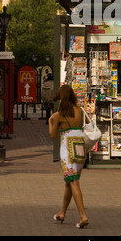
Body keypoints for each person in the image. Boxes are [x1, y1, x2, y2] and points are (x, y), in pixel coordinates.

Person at [49, 84, 89, 229]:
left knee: (73, 183)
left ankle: (83, 215)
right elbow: (88, 125)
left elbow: (53, 135)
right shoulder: (80, 111)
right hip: (80, 150)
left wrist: (50, 121)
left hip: (67, 151)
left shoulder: (59, 115)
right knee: (70, 182)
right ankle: (62, 212)